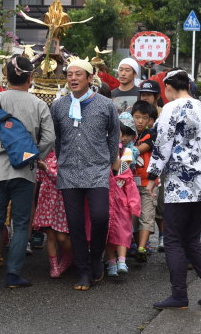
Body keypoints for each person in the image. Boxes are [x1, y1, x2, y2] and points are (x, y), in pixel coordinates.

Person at [0, 55, 55, 288]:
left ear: (7, 76)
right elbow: (50, 138)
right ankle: (13, 275)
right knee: (20, 223)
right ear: (30, 77)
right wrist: (32, 155)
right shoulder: (38, 104)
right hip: (24, 173)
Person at [146, 69, 201, 310]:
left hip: (180, 184)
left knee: (174, 240)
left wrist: (151, 176)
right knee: (192, 239)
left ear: (168, 87)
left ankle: (179, 295)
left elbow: (162, 144)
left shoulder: (171, 108)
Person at [51, 58, 120, 291]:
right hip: (69, 171)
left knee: (101, 216)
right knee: (75, 223)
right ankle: (83, 271)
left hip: (97, 170)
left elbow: (114, 134)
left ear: (90, 78)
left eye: (78, 74)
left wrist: (110, 160)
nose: (73, 78)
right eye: (69, 74)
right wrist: (63, 160)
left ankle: (96, 258)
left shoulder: (105, 104)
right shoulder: (59, 105)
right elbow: (57, 138)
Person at [105, 118, 141, 278]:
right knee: (106, 233)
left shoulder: (126, 156)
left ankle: (121, 260)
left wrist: (134, 205)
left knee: (123, 232)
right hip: (106, 202)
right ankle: (111, 261)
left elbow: (130, 185)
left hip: (121, 204)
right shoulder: (101, 155)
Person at [33, 150, 72, 278]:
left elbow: (62, 180)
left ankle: (69, 257)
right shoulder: (44, 155)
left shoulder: (66, 155)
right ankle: (54, 266)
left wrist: (46, 169)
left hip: (61, 202)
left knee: (61, 237)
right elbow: (38, 178)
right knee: (50, 236)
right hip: (47, 201)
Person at [131, 100, 159, 260]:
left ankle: (142, 247)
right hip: (131, 184)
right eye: (137, 117)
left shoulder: (152, 134)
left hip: (148, 182)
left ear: (149, 120)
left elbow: (143, 147)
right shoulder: (128, 133)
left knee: (147, 215)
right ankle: (136, 245)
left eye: (144, 118)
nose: (140, 121)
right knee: (133, 216)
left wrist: (128, 149)